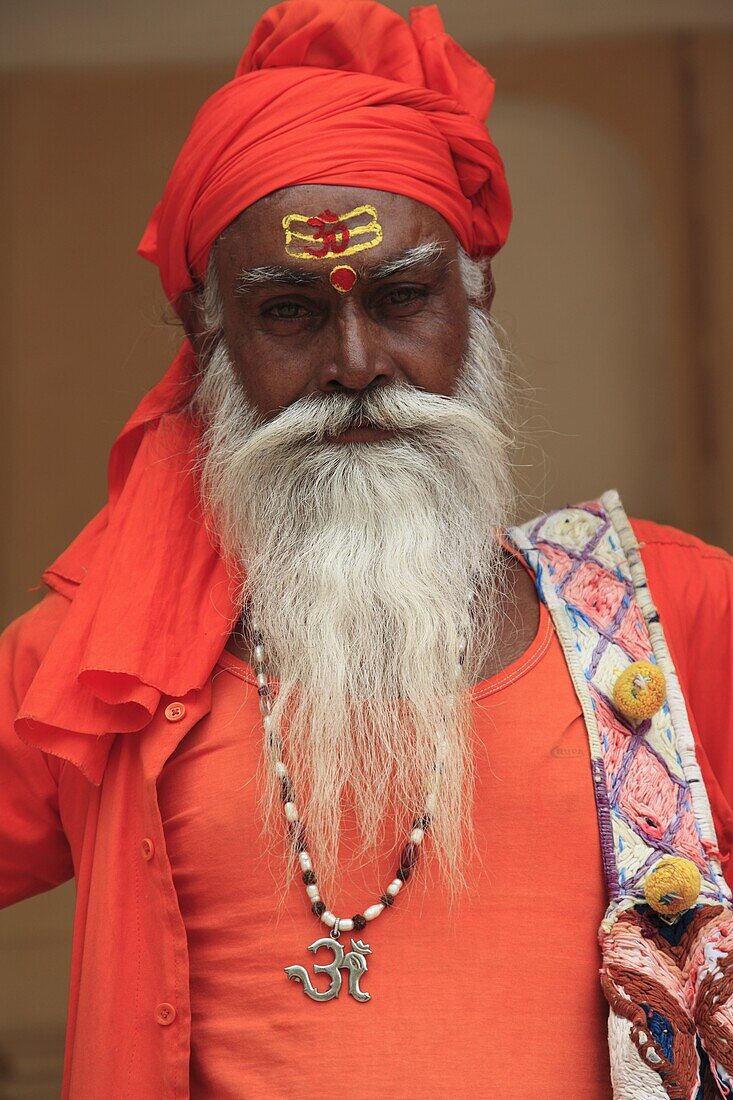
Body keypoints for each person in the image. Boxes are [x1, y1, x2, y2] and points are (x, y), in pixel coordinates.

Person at [1, 2, 732, 1097]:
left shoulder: (679, 609)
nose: (355, 363)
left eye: (401, 299)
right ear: (209, 340)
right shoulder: (107, 658)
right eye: (289, 312)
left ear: (474, 297)